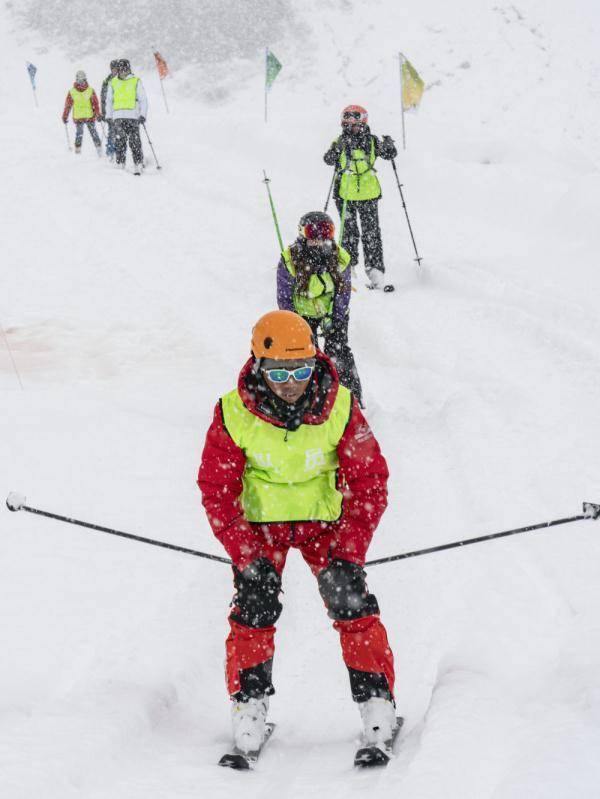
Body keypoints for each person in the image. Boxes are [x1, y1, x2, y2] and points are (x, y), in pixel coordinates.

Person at [197, 310, 395, 756]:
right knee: (254, 602)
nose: (291, 382)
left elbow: (370, 480)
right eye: (280, 371)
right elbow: (217, 488)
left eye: (302, 369)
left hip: (324, 525)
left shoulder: (340, 405)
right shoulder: (232, 411)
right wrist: (246, 554)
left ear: (315, 362)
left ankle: (377, 704)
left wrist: (349, 551)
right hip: (261, 528)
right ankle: (249, 706)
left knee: (350, 600)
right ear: (258, 365)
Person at [277, 211, 363, 405]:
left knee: (338, 351)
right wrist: (295, 322)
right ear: (302, 235)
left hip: (332, 312)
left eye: (327, 233)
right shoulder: (290, 260)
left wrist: (335, 317)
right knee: (307, 355)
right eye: (313, 234)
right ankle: (311, 399)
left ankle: (351, 398)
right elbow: (284, 296)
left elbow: (343, 293)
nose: (320, 240)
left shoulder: (340, 258)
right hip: (302, 315)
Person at [323, 105, 397, 292]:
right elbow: (328, 159)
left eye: (354, 123)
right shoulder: (339, 141)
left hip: (368, 194)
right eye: (347, 123)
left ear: (363, 122)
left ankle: (375, 273)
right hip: (345, 194)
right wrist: (337, 149)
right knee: (348, 233)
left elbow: (389, 154)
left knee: (371, 233)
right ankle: (350, 269)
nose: (351, 127)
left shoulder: (371, 141)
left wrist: (389, 146)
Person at [105, 58, 147, 175]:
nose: (124, 71)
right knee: (120, 140)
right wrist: (108, 115)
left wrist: (142, 114)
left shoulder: (135, 81)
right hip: (118, 116)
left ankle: (138, 163)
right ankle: (120, 162)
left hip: (133, 116)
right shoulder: (112, 82)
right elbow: (109, 101)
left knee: (135, 141)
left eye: (126, 69)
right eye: (121, 69)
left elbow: (143, 99)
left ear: (129, 69)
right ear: (118, 70)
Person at [61, 70, 102, 156]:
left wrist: (98, 114)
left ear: (85, 80)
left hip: (89, 116)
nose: (81, 82)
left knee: (94, 133)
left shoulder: (90, 90)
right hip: (78, 117)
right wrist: (65, 116)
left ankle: (99, 150)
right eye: (79, 80)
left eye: (82, 80)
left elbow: (95, 104)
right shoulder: (72, 92)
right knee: (79, 134)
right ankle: (77, 152)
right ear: (76, 80)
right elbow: (68, 105)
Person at [99, 60, 119, 161]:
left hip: (121, 110)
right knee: (111, 131)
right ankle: (111, 151)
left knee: (121, 132)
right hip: (110, 111)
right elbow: (103, 98)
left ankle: (120, 151)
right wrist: (103, 112)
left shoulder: (122, 79)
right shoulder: (107, 81)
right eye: (113, 69)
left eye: (116, 68)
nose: (115, 71)